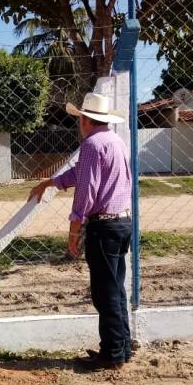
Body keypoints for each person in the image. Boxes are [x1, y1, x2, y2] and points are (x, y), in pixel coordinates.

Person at [29, 93, 132, 370]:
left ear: (85, 120)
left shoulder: (91, 146)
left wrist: (74, 230)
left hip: (104, 226)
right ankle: (121, 346)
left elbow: (86, 192)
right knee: (115, 288)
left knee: (105, 292)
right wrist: (51, 182)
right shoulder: (115, 142)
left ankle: (112, 353)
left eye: (79, 119)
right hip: (122, 223)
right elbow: (82, 175)